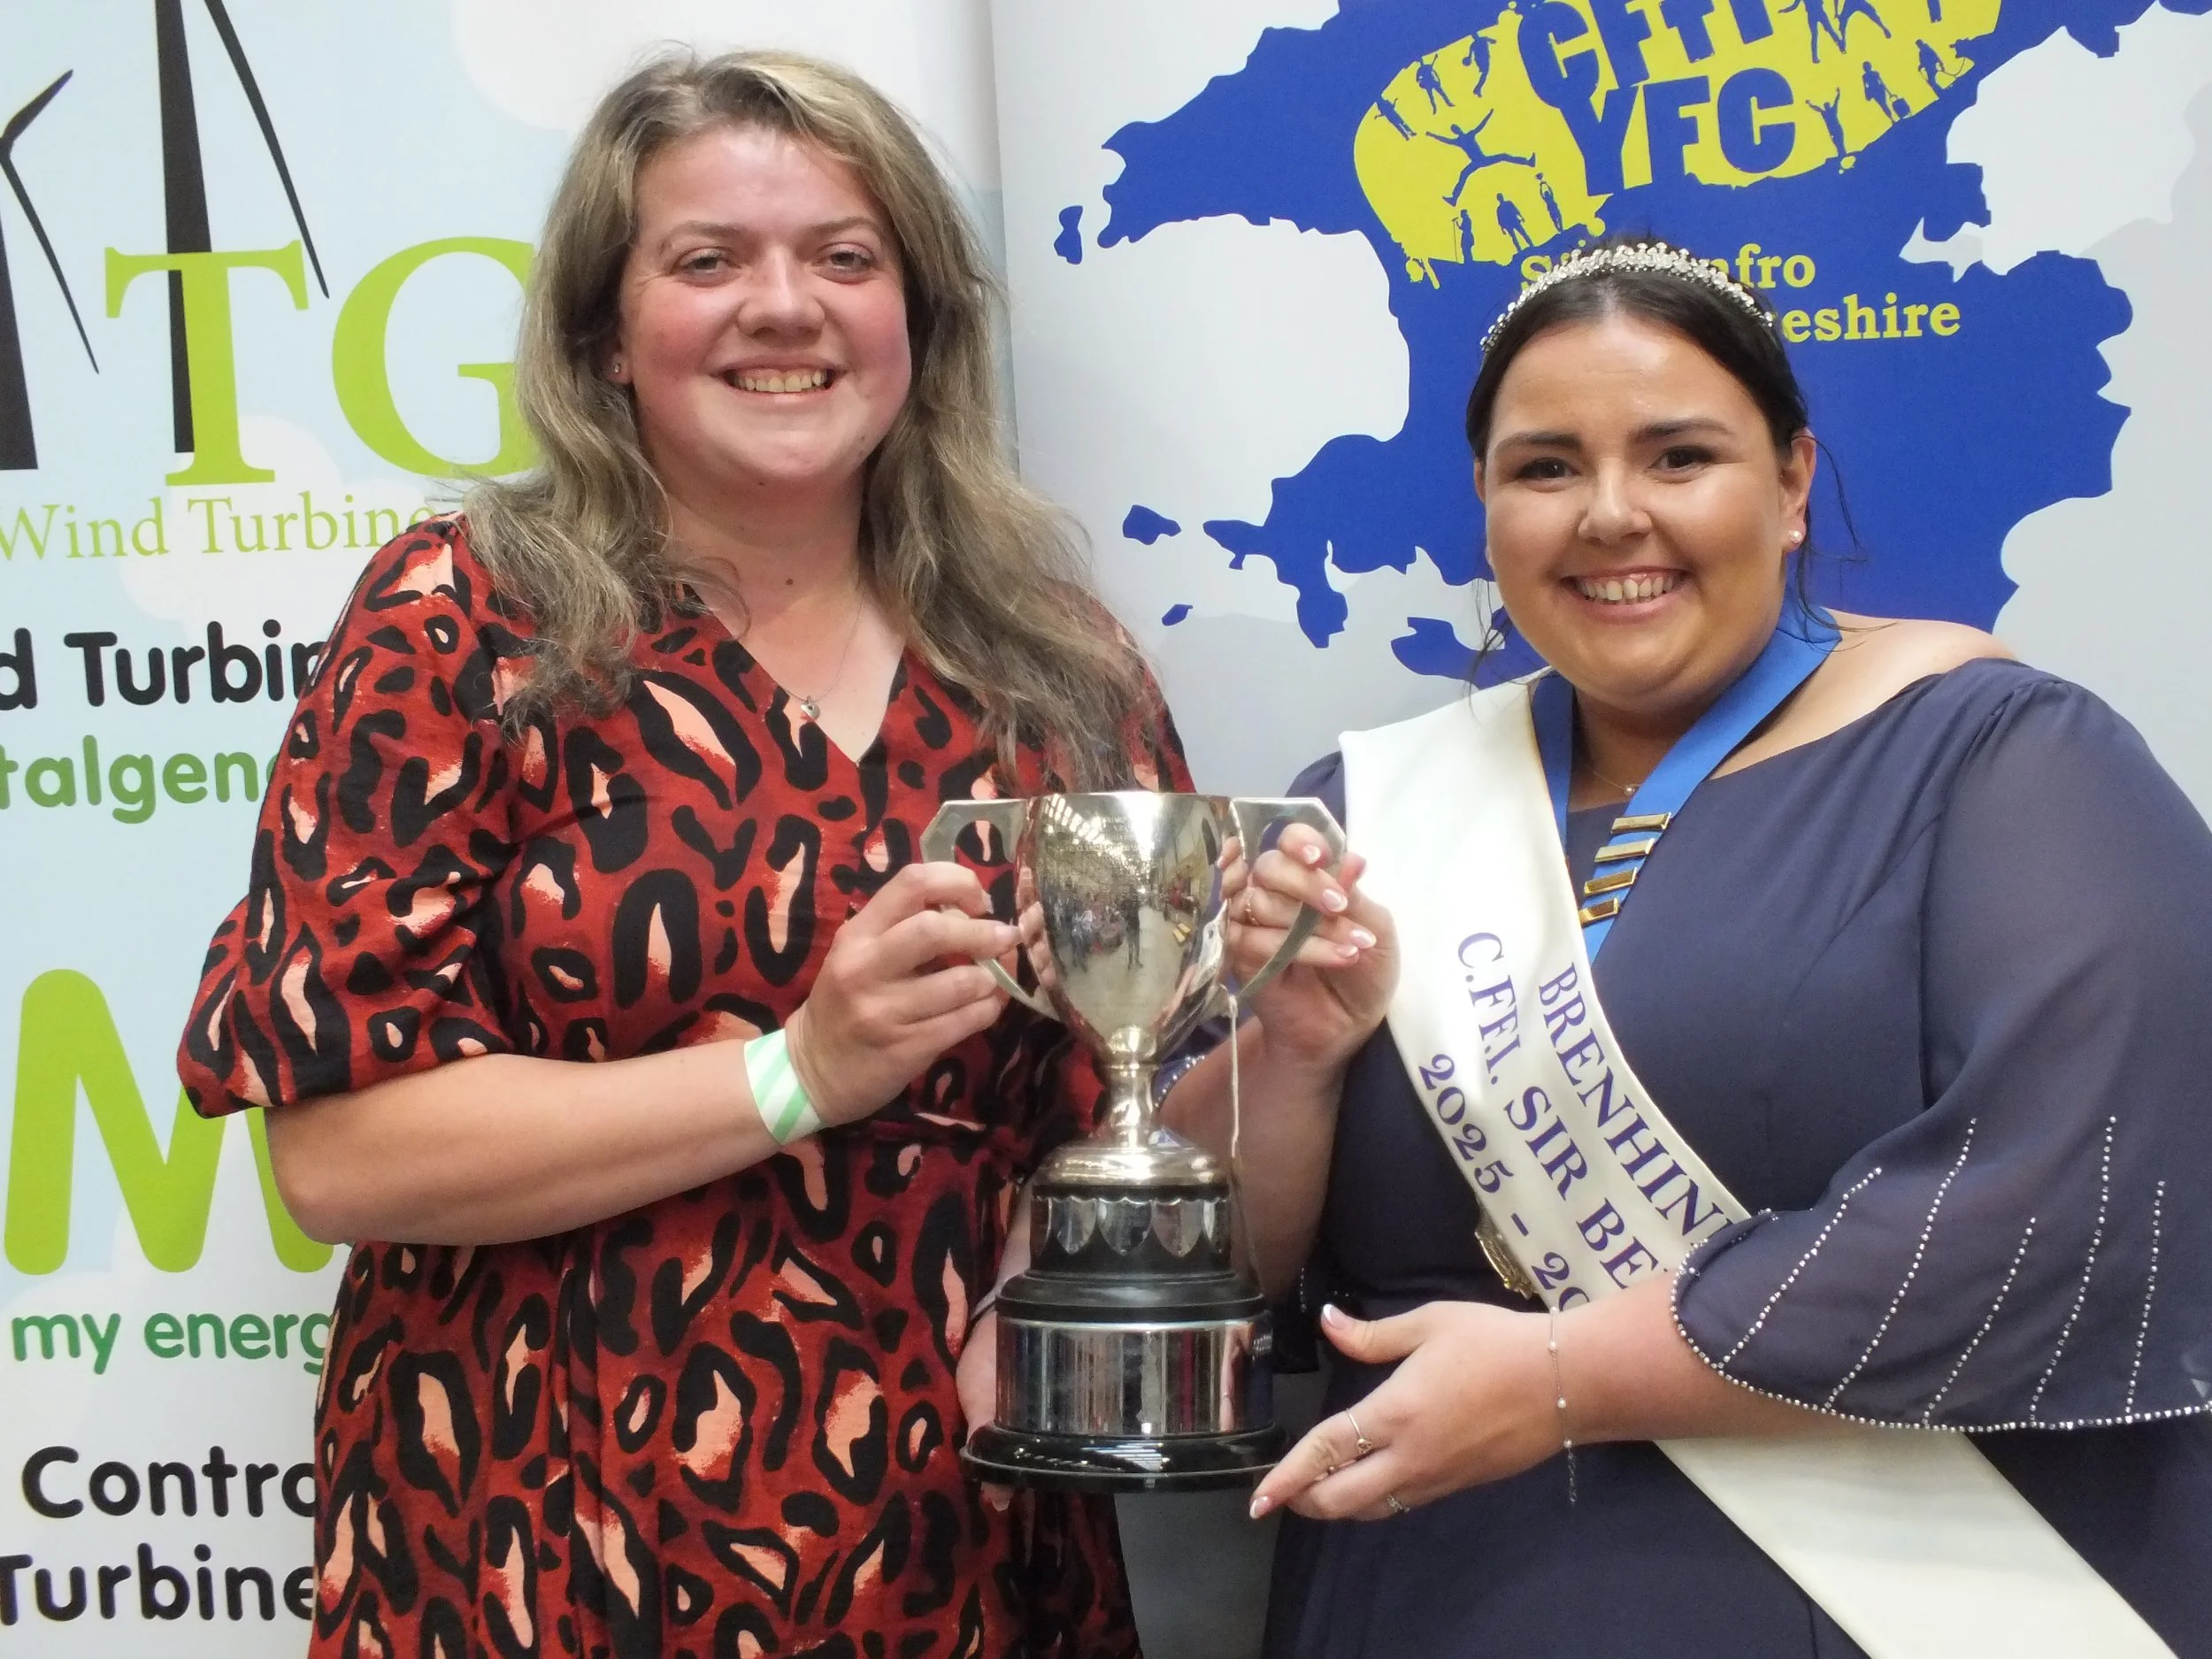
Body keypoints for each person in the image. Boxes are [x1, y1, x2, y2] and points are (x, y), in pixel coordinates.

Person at [175, 50, 1183, 1659]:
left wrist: (1071, 1253)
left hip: (961, 1563)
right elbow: (337, 1155)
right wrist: (797, 1073)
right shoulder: (466, 616)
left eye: (845, 259)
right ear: (605, 335)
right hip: (534, 1555)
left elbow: (1120, 1118)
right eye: (707, 259)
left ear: (917, 324)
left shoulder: (1055, 668)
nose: (783, 308)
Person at [1164, 238, 2212, 1655]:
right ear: (1484, 504)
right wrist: (1290, 1052)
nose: (1609, 515)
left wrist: (1564, 1373)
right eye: (1544, 468)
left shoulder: (2001, 756)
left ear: (1789, 487)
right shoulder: (1368, 807)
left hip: (1879, 1596)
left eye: (1678, 457)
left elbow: (2066, 1199)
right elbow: (1221, 1284)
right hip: (1431, 1600)